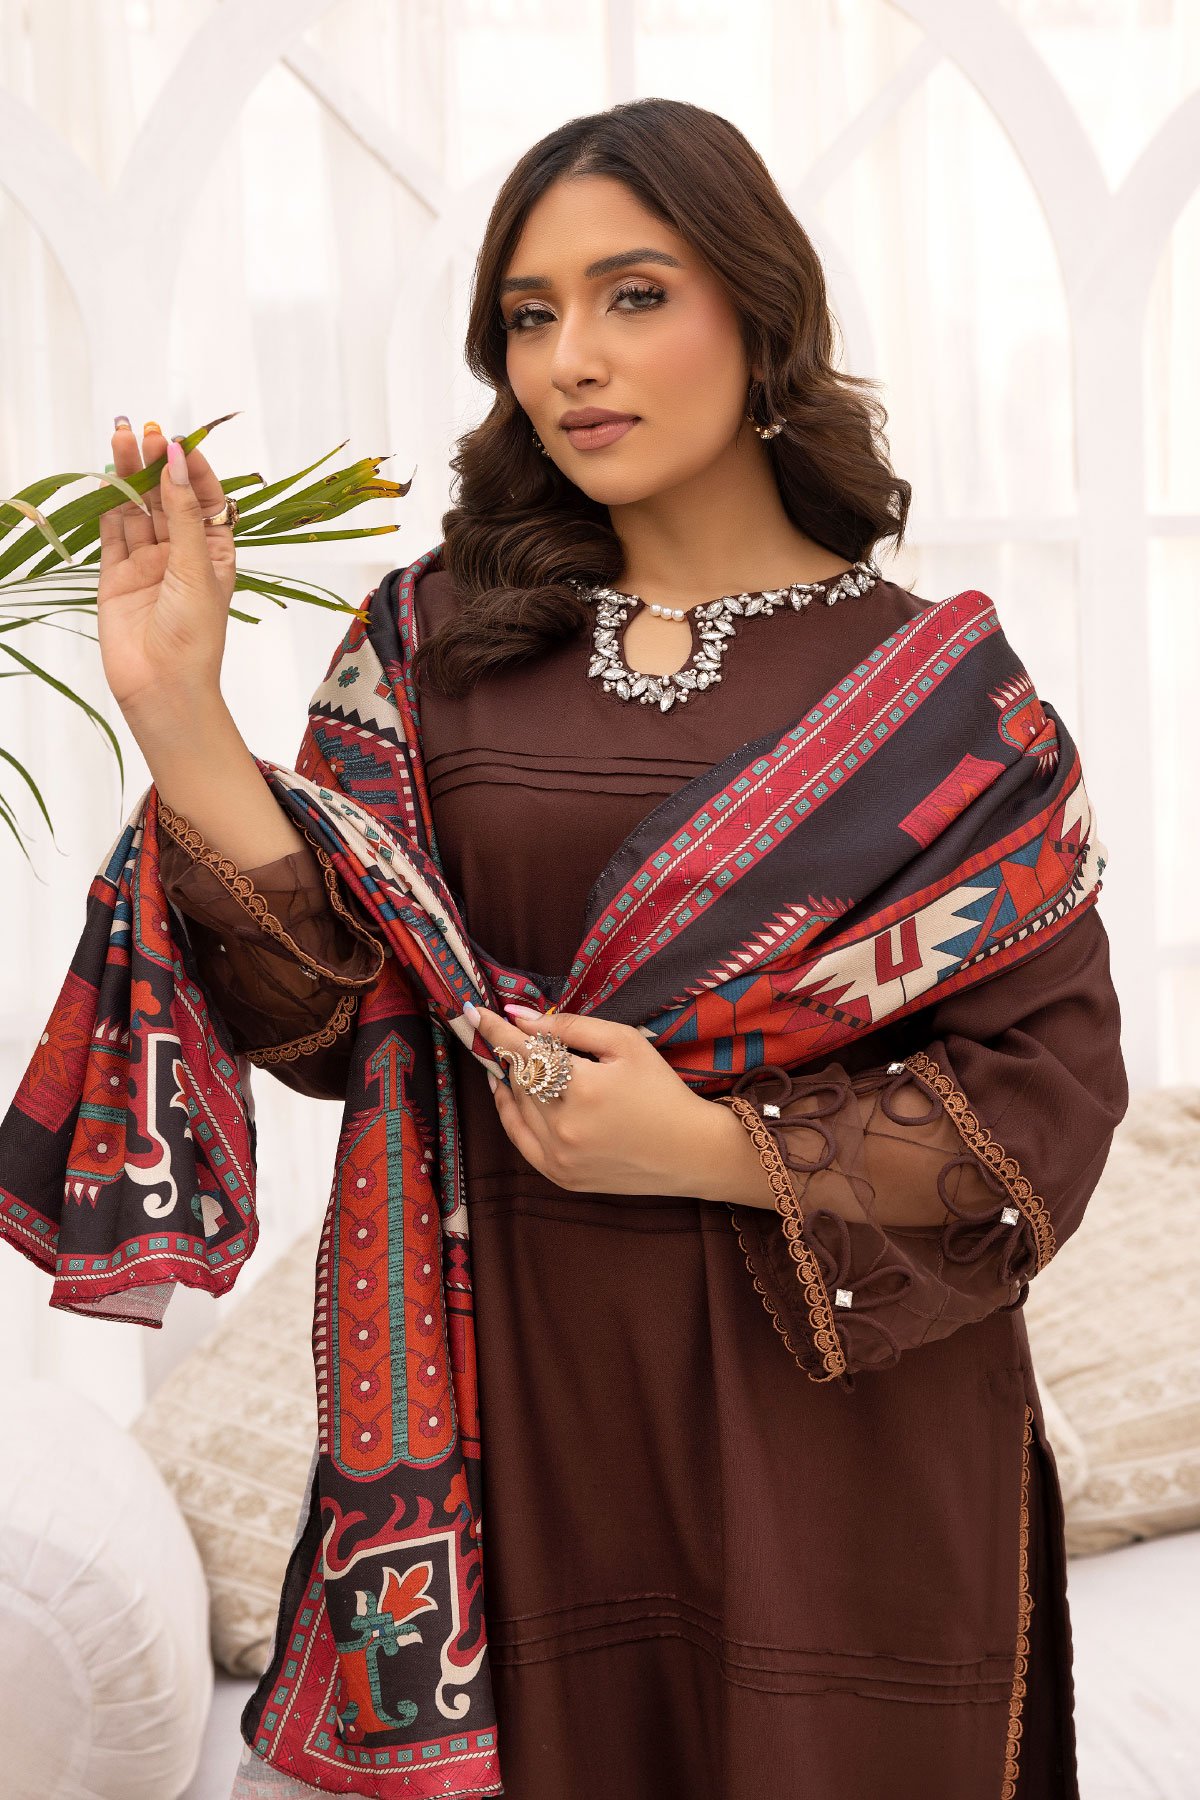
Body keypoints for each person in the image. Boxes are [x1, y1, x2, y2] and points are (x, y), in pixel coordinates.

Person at [2, 99, 1126, 1800]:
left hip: (844, 1436)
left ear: (759, 316)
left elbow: (1048, 1104)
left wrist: (707, 1145)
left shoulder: (943, 699)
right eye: (530, 316)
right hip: (510, 1393)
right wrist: (178, 716)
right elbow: (328, 1019)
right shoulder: (435, 643)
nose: (570, 360)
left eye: (632, 296)